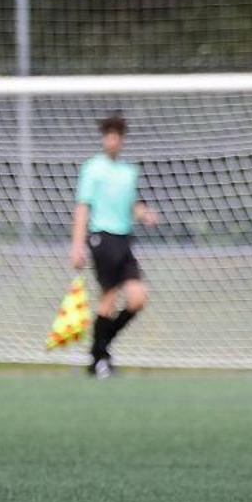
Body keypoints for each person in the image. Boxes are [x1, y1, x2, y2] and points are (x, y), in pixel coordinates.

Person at [69, 112, 157, 377]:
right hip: (102, 237)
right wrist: (76, 245)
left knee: (138, 298)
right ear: (103, 138)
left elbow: (132, 204)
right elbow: (83, 207)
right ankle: (99, 359)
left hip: (124, 239)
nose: (112, 141)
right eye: (108, 136)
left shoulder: (129, 171)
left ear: (122, 140)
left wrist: (144, 214)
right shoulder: (92, 168)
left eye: (117, 136)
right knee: (108, 298)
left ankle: (100, 348)